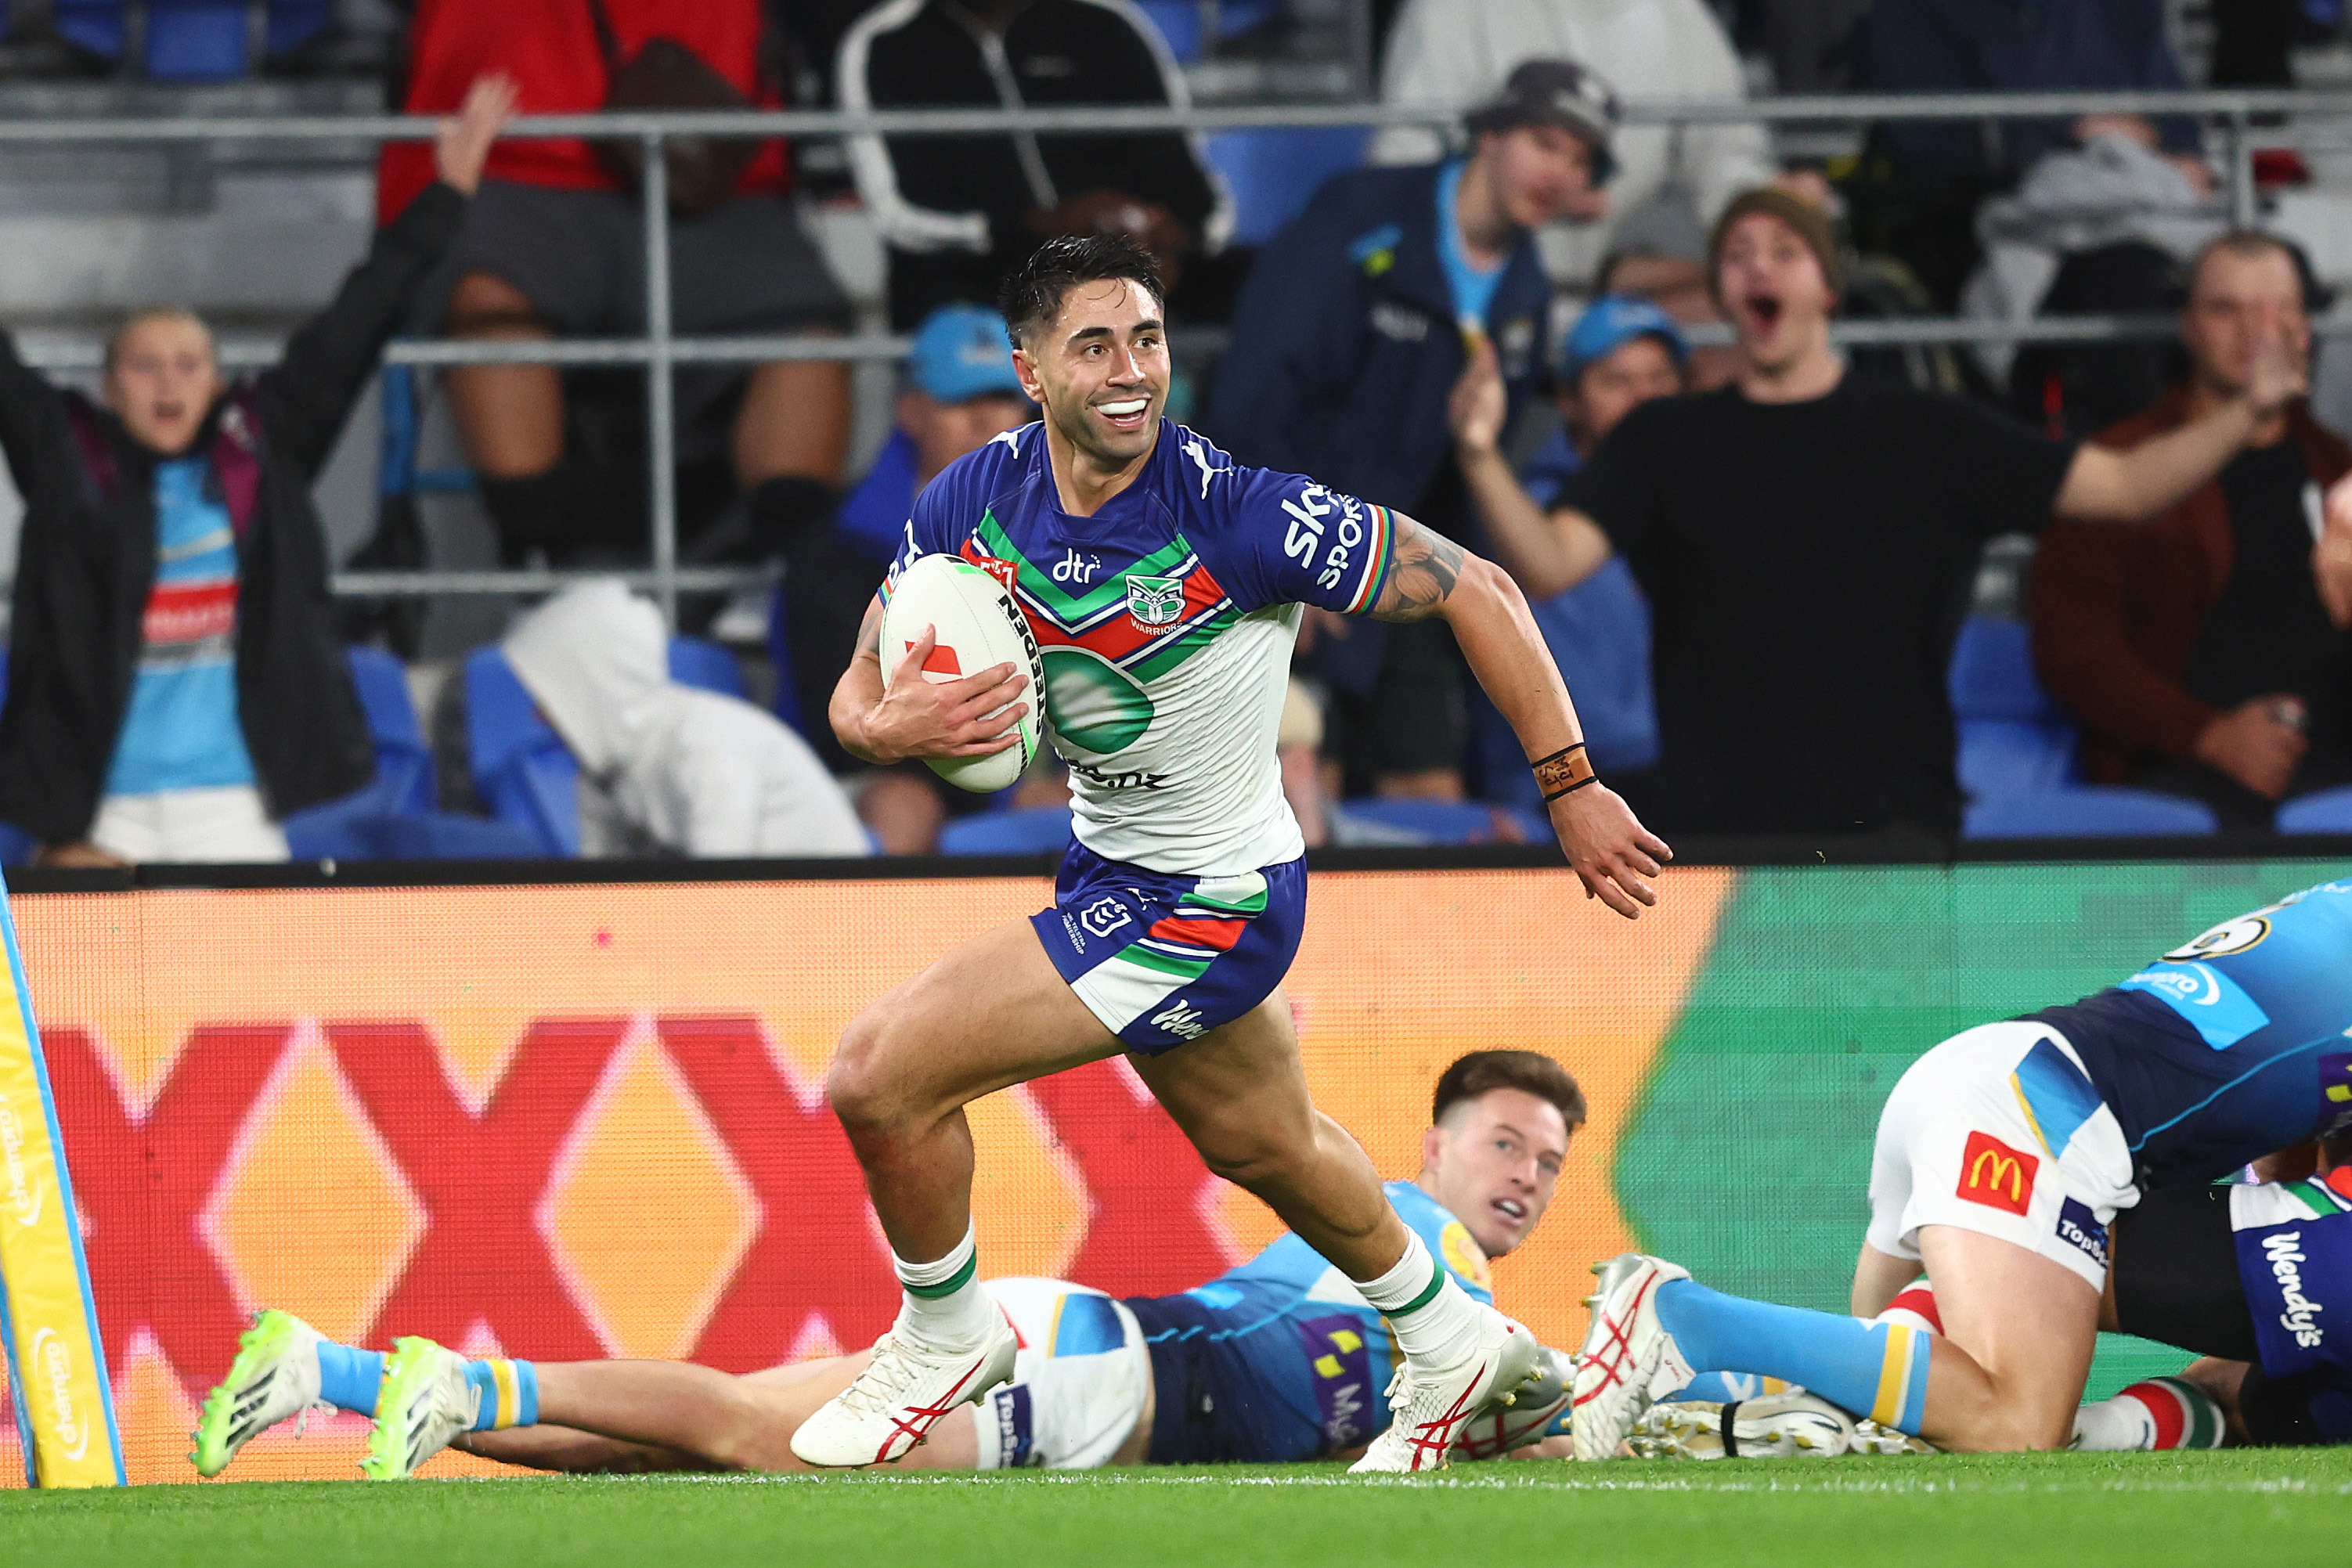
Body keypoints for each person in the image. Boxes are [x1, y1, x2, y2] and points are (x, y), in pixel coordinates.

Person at [803, 232, 1666, 1476]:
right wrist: (884, 725)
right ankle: (1451, 1337)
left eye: (1147, 339)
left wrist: (1569, 786)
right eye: (1094, 345)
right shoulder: (970, 497)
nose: (1129, 371)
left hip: (1208, 899)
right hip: (1111, 867)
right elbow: (860, 673)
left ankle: (946, 1332)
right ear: (1030, 369)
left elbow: (1478, 585)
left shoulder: (1241, 513)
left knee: (878, 1074)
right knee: (1268, 1145)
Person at [190, 1051, 1587, 1479]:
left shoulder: (1436, 1289)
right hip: (1098, 1378)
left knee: (697, 1447)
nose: (1524, 1173)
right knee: (749, 1431)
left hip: (1090, 1359)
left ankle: (339, 1371)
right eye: (1505, 1141)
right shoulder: (1414, 1237)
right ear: (1435, 1146)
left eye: (1547, 1160)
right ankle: (464, 1385)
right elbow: (1457, 1377)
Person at [1485, 186, 2312, 843]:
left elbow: (2126, 487)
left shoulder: (1926, 430)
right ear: (1722, 293)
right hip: (1717, 836)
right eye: (1736, 254)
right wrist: (1478, 450)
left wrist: (2248, 411)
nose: (1758, 265)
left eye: (1784, 250)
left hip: (1892, 829)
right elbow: (1549, 563)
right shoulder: (1663, 438)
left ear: (1826, 287)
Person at [1571, 877, 2352, 1457]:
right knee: (2016, 1420)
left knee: (1875, 1402)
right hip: (2042, 1116)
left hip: (1989, 1077)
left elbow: (2291, 1129)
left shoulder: (2329, 908)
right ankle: (1685, 1315)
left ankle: (1627, 1389)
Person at [0, 78, 514, 868]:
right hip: (100, 812)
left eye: (188, 364)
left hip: (230, 805)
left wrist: (444, 197)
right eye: (144, 365)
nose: (168, 383)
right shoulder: (66, 455)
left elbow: (359, 319)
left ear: (216, 383)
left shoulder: (261, 446)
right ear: (109, 389)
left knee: (262, 951)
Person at [1210, 59, 1612, 800]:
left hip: (1397, 566)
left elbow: (1462, 480)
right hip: (1277, 549)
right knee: (1292, 791)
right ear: (1489, 133)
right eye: (1545, 142)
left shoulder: (1526, 297)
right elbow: (1253, 395)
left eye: (1581, 160)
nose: (1559, 172)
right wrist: (1280, 555)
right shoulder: (1359, 215)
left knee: (1432, 801)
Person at [379, 0, 856, 568]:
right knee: (493, 310)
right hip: (509, 159)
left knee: (806, 333)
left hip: (715, 171)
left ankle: (780, 580)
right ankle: (541, 562)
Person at [2033, 232, 2352, 832]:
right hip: (2178, 776)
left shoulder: (2336, 465)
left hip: (2336, 772)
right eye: (2226, 309)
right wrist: (2208, 735)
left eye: (2277, 309)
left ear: (2305, 328)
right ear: (2188, 325)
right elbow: (2072, 649)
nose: (2255, 332)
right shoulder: (2120, 465)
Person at [773, 305, 1034, 853]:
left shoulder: (1069, 537)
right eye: (960, 402)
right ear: (911, 411)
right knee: (906, 805)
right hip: (874, 769)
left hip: (1012, 766)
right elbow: (839, 724)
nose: (987, 422)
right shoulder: (836, 548)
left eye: (1002, 399)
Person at [835, 0, 1230, 330]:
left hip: (1126, 282)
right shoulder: (884, 42)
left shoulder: (1106, 22)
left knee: (1240, 299)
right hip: (976, 292)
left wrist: (1170, 238)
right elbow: (900, 214)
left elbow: (1193, 190)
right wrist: (1041, 227)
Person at [1369, 0, 1776, 287]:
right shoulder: (1452, 10)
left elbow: (1732, 161)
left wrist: (1771, 219)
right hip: (1468, 285)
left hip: (1607, 304)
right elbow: (1402, 163)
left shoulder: (1681, 19)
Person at [1456, 294, 1683, 788]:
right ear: (1569, 401)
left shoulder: (1698, 493)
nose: (1644, 400)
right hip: (1575, 786)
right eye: (1617, 382)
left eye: (1660, 378)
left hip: (1683, 775)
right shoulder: (1524, 514)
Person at [501, 581, 868, 860]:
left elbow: (715, 892)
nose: (537, 716)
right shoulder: (603, 773)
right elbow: (599, 897)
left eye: (551, 699)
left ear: (592, 687)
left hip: (828, 925)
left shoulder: (707, 746)